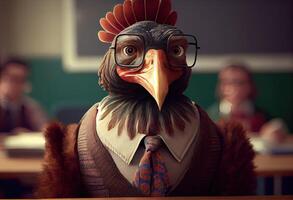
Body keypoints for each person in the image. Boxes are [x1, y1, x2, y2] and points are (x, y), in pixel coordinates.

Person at [208, 63, 270, 134]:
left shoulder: (262, 116)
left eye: (240, 83)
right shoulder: (210, 117)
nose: (233, 88)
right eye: (227, 82)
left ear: (250, 86)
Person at [0, 58, 48, 134]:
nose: (19, 85)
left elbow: (45, 130)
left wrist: (29, 134)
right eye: (14, 79)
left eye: (23, 80)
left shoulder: (30, 106)